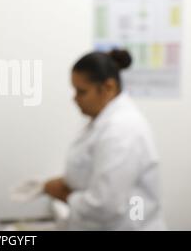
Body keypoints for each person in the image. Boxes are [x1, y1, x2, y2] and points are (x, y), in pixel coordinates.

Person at [43, 49, 166, 230]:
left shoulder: (122, 129)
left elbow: (106, 205)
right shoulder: (102, 122)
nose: (75, 98)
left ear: (108, 87)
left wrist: (65, 194)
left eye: (81, 91)